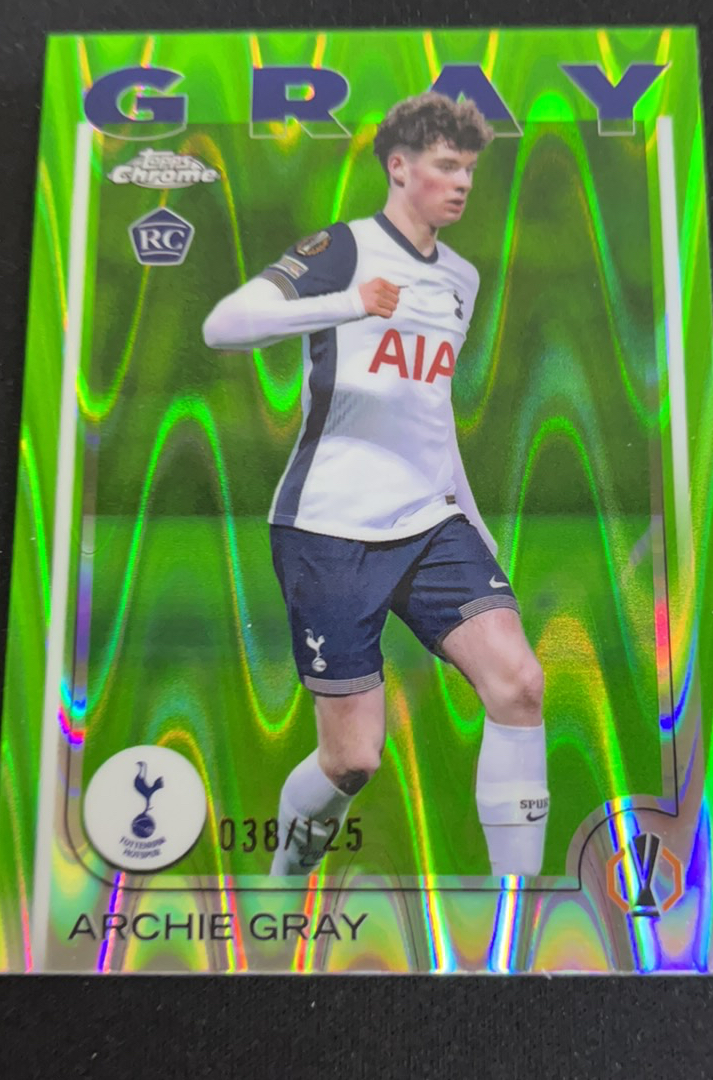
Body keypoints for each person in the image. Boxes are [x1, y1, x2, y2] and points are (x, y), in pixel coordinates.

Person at [202, 92, 548, 878]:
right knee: (354, 759)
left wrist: (474, 523)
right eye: (445, 166)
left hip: (430, 522)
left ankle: (520, 903)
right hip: (329, 529)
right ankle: (283, 887)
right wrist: (346, 304)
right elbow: (224, 325)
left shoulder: (461, 278)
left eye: (469, 169)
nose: (462, 182)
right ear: (398, 167)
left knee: (519, 683)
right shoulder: (344, 250)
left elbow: (433, 410)